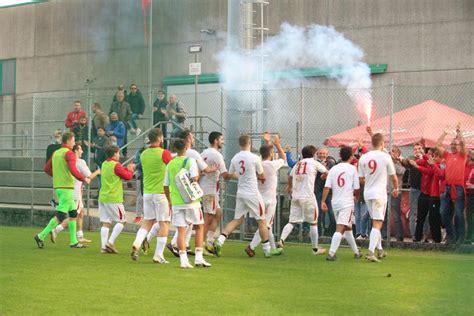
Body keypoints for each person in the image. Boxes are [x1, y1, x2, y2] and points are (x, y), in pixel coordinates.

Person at [213, 135, 271, 258]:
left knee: (238, 219)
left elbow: (230, 174)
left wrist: (241, 176)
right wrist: (256, 176)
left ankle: (219, 241)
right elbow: (262, 175)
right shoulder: (255, 158)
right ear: (249, 142)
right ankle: (267, 249)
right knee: (262, 220)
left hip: (241, 193)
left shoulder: (235, 157)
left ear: (240, 144)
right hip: (253, 193)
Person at [34, 132, 90, 249]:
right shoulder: (69, 153)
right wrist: (83, 178)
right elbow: (73, 169)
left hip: (59, 187)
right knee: (60, 216)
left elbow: (46, 169)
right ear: (69, 140)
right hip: (66, 188)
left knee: (73, 213)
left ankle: (74, 242)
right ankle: (41, 235)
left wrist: (57, 175)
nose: (74, 143)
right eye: (73, 140)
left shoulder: (56, 152)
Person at [167, 130, 217, 257]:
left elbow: (166, 184)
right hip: (191, 196)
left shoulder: (172, 160)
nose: (194, 138)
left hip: (176, 196)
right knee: (197, 225)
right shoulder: (192, 156)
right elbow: (201, 172)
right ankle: (180, 246)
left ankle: (183, 249)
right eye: (192, 136)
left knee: (181, 225)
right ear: (188, 139)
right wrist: (215, 169)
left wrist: (169, 199)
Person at [130, 128, 173, 263]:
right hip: (161, 193)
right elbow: (171, 167)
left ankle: (137, 243)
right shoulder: (164, 153)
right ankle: (158, 255)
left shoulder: (144, 154)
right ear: (160, 138)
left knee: (148, 221)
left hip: (147, 192)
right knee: (164, 223)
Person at [278, 145, 328, 255]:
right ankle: (315, 249)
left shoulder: (298, 164)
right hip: (308, 196)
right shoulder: (314, 162)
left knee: (292, 221)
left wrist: (290, 186)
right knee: (313, 223)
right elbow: (326, 171)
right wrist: (324, 176)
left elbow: (290, 176)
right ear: (313, 154)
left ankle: (281, 239)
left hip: (296, 196)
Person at [358, 132, 398, 262]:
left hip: (367, 193)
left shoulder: (363, 157)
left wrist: (370, 181)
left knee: (375, 220)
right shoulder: (385, 157)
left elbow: (361, 178)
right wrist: (396, 188)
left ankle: (379, 250)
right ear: (382, 144)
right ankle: (370, 252)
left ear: (372, 143)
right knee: (378, 222)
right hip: (379, 193)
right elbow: (393, 176)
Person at [50, 144, 100, 244]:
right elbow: (89, 177)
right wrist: (98, 172)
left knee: (81, 213)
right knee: (74, 215)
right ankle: (56, 230)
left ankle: (80, 236)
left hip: (71, 190)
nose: (82, 151)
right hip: (76, 192)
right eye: (80, 149)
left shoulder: (67, 160)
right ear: (76, 151)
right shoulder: (80, 162)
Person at [246, 134, 286, 257]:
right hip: (270, 200)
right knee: (266, 225)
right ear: (271, 153)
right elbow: (283, 158)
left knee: (268, 226)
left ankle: (273, 248)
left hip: (258, 198)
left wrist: (267, 142)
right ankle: (251, 247)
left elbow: (262, 155)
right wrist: (277, 144)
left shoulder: (257, 164)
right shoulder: (272, 165)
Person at [321, 146, 362, 260]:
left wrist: (323, 201)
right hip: (347, 203)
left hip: (335, 202)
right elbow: (357, 188)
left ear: (340, 156)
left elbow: (327, 186)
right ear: (351, 156)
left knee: (347, 227)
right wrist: (356, 196)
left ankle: (356, 252)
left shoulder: (333, 169)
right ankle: (331, 253)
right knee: (340, 228)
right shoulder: (352, 169)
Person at [99, 145, 135, 253]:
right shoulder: (116, 165)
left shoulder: (104, 164)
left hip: (103, 196)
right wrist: (131, 170)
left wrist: (126, 169)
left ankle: (103, 247)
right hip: (113, 198)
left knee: (106, 222)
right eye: (118, 153)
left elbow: (119, 172)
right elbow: (127, 177)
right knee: (122, 220)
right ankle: (110, 242)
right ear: (115, 153)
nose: (119, 155)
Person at [200, 131, 230, 254]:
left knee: (218, 213)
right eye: (221, 139)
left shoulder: (204, 153)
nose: (223, 141)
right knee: (208, 218)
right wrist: (238, 175)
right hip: (210, 190)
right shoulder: (217, 156)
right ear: (216, 141)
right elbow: (225, 175)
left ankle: (210, 241)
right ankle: (200, 246)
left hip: (206, 189)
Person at [436, 123, 467, 245]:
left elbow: (463, 143)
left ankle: (460, 237)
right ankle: (451, 235)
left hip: (457, 188)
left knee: (459, 213)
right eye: (452, 144)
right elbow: (438, 145)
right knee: (443, 212)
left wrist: (458, 131)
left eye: (455, 144)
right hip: (447, 187)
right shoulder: (448, 155)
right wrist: (444, 133)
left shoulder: (463, 155)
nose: (453, 146)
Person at [409, 149, 443, 243]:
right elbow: (418, 162)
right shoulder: (425, 162)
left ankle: (436, 239)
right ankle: (417, 237)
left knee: (433, 218)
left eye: (433, 156)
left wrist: (418, 166)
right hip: (424, 193)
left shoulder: (437, 166)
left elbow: (430, 172)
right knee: (420, 217)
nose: (432, 158)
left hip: (432, 195)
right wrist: (423, 156)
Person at [402, 142, 424, 241]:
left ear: (422, 149)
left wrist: (422, 157)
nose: (417, 151)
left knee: (424, 214)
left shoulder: (426, 159)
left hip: (425, 190)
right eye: (415, 149)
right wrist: (401, 159)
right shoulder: (411, 158)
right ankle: (414, 235)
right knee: (413, 213)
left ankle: (424, 235)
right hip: (414, 189)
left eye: (418, 149)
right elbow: (405, 163)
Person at [315, 147, 337, 237]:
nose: (322, 155)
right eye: (320, 153)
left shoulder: (331, 163)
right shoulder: (315, 163)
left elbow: (332, 174)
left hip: (330, 191)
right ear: (317, 154)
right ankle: (320, 232)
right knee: (319, 213)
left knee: (332, 212)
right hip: (318, 190)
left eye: (324, 153)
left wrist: (326, 175)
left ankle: (332, 231)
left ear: (327, 154)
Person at [390, 146, 406, 242]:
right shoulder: (387, 162)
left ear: (398, 154)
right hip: (386, 191)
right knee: (384, 215)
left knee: (396, 215)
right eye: (390, 151)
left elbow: (402, 171)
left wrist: (394, 162)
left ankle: (399, 237)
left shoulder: (401, 164)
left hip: (395, 191)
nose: (391, 153)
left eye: (393, 151)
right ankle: (384, 236)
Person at [110, 91, 132, 156]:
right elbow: (110, 112)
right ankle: (115, 152)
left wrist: (125, 120)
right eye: (118, 96)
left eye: (121, 96)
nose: (120, 98)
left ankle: (124, 152)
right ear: (116, 97)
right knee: (114, 137)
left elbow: (130, 113)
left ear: (123, 97)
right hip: (114, 123)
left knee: (124, 138)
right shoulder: (113, 104)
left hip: (123, 123)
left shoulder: (127, 104)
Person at [465, 150, 474, 244]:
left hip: (472, 193)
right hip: (468, 194)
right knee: (469, 216)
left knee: (471, 216)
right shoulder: (465, 167)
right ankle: (469, 236)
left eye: (466, 157)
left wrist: (472, 186)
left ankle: (471, 237)